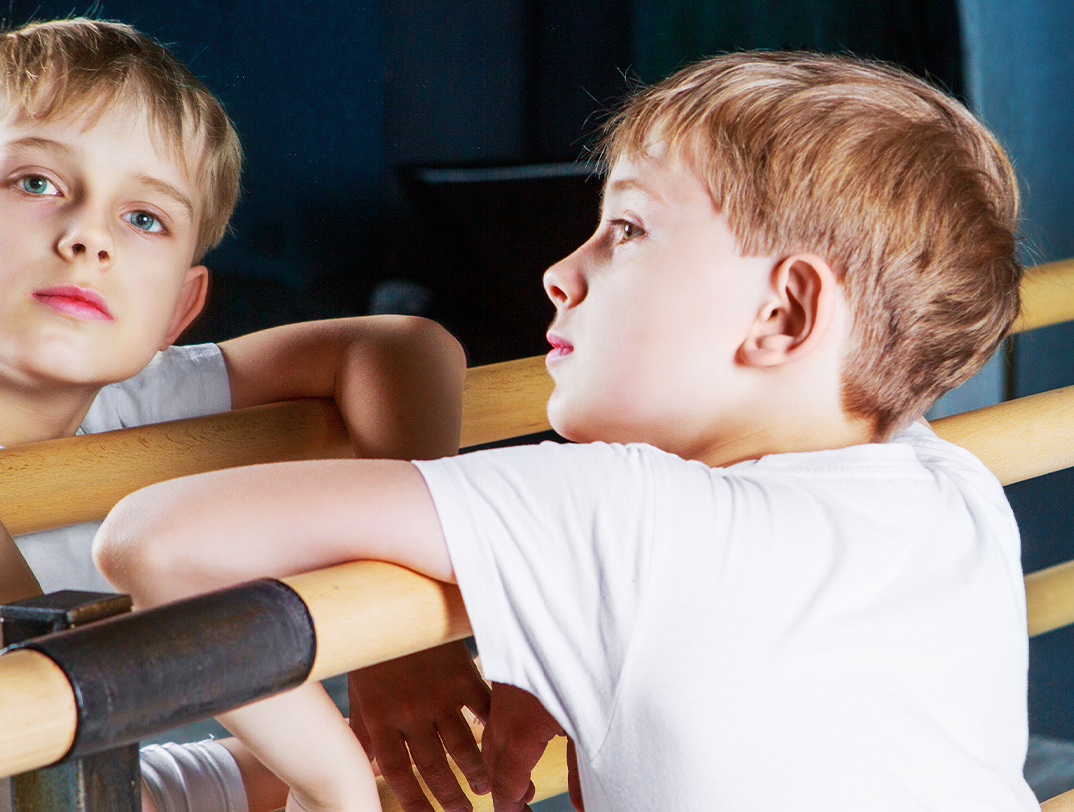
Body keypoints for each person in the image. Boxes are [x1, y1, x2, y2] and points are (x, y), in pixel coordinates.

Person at [95, 51, 1039, 812]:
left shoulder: (626, 508)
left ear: (785, 316)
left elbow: (155, 539)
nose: (561, 269)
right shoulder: (949, 489)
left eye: (625, 230)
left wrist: (343, 779)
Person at [0, 18, 466, 812]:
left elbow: (404, 348)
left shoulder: (144, 400)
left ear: (180, 307)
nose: (88, 237)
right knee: (340, 772)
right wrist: (332, 785)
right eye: (38, 184)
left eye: (143, 218)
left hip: (104, 769)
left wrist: (403, 649)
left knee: (413, 771)